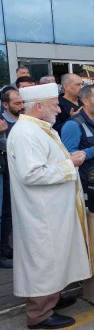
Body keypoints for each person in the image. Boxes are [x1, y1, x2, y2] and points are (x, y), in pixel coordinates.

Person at [9, 83, 90, 329]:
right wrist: (70, 164)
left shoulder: (40, 128)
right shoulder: (26, 133)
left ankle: (50, 299)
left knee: (53, 258)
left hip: (52, 208)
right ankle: (40, 314)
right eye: (55, 103)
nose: (60, 107)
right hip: (41, 212)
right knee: (44, 260)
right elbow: (31, 174)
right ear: (39, 106)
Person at [0, 88, 23, 268]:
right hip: (5, 172)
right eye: (17, 103)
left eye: (22, 102)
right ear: (5, 105)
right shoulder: (2, 123)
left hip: (19, 174)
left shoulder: (25, 120)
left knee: (8, 214)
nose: (21, 106)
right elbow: (10, 149)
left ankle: (5, 248)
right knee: (3, 213)